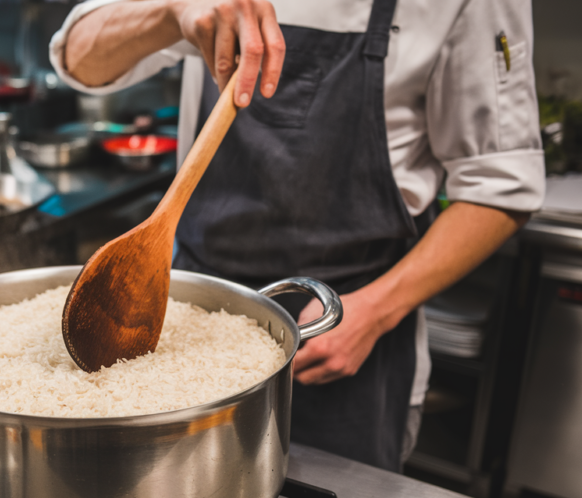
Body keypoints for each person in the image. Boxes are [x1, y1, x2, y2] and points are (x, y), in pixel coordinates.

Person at [50, 0, 544, 471]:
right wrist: (174, 12)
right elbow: (77, 57)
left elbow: (502, 189)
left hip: (346, 335)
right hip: (184, 320)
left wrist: (374, 311)